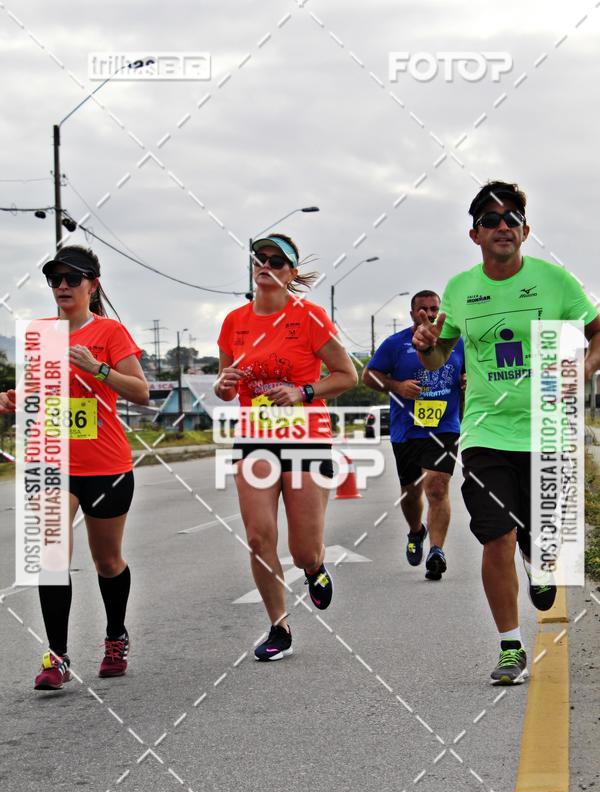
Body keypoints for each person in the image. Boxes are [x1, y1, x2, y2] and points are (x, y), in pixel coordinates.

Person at [412, 181, 600, 685]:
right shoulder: (460, 289)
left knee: (542, 541)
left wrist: (581, 369)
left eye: (512, 218)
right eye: (490, 220)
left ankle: (539, 566)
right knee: (498, 535)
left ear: (526, 230)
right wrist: (427, 345)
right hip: (485, 431)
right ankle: (511, 647)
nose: (503, 226)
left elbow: (597, 330)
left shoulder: (555, 281)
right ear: (475, 234)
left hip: (548, 426)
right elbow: (438, 358)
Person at [0, 245, 149, 690]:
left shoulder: (110, 332)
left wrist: (99, 369)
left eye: (72, 278)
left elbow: (140, 392)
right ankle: (57, 656)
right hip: (51, 461)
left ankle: (115, 636)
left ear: (92, 285)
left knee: (107, 560)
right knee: (49, 557)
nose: (62, 286)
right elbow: (37, 393)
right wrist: (11, 400)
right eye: (55, 279)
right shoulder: (40, 333)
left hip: (105, 464)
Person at [215, 233, 357, 660]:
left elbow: (347, 375)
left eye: (277, 261)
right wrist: (223, 386)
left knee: (303, 549)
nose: (266, 265)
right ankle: (279, 627)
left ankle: (314, 568)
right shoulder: (234, 322)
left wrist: (303, 392)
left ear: (291, 272)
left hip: (304, 438)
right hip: (255, 439)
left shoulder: (309, 317)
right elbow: (226, 387)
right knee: (259, 538)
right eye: (260, 258)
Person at [363, 291, 464, 580]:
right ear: (412, 314)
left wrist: (467, 380)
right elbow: (368, 376)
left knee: (437, 486)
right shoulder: (395, 344)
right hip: (406, 429)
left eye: (434, 309)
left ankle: (436, 551)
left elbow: (471, 372)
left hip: (444, 427)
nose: (429, 314)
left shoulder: (457, 342)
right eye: (423, 309)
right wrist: (396, 386)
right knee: (411, 492)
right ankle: (416, 531)